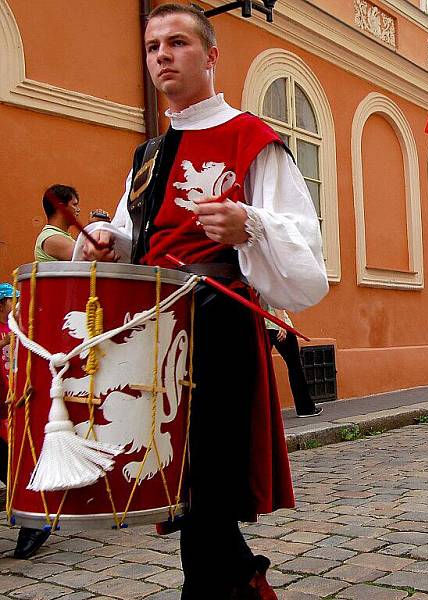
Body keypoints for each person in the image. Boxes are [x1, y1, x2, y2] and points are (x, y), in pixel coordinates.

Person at [80, 5, 328, 598]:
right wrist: (108, 243)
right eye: (152, 46)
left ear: (211, 55)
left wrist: (251, 225)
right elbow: (137, 237)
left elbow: (305, 246)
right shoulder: (146, 157)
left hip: (218, 326)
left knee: (208, 487)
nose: (162, 55)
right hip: (157, 332)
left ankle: (236, 585)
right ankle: (244, 583)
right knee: (186, 490)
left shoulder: (252, 139)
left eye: (178, 42)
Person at [0, 284, 50, 559]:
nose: (15, 305)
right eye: (11, 301)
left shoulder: (16, 329)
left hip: (10, 406)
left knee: (13, 464)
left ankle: (35, 520)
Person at [263, 305, 323, 418]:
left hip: (263, 325)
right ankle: (305, 408)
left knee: (262, 367)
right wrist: (282, 324)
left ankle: (261, 410)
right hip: (278, 326)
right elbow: (277, 302)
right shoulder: (275, 286)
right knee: (295, 367)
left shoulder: (257, 286)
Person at [34, 184, 79, 261]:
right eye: (74, 205)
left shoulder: (59, 236)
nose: (78, 210)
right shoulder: (51, 238)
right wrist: (96, 226)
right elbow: (88, 255)